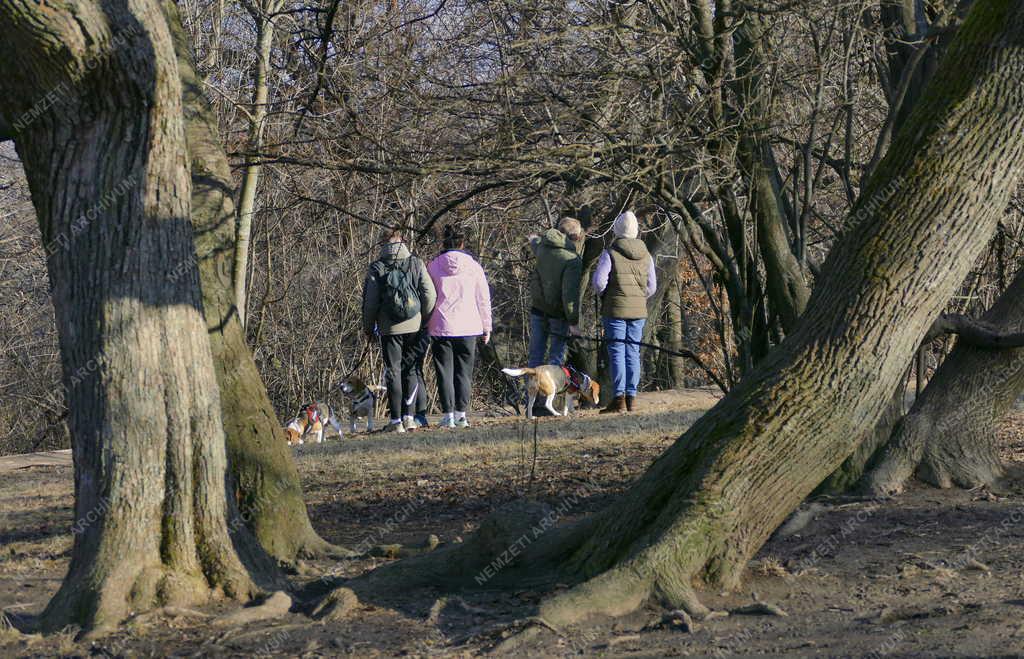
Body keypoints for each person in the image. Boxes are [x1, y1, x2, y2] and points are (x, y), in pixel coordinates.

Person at [362, 230, 436, 432]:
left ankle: (395, 422)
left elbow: (370, 302)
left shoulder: (377, 267)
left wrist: (368, 327)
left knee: (393, 371)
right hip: (414, 325)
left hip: (389, 328)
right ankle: (409, 418)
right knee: (411, 369)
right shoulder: (416, 263)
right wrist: (423, 318)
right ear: (402, 241)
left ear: (383, 243)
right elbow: (429, 294)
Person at [427, 225, 492, 428]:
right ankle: (461, 414)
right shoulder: (473, 266)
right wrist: (486, 326)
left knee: (444, 371)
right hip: (468, 326)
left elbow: (428, 296)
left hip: (440, 325)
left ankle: (448, 415)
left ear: (443, 243)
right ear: (462, 243)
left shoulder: (433, 265)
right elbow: (483, 298)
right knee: (464, 372)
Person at [592, 211, 656, 413]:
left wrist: (609, 294)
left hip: (615, 310)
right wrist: (638, 296)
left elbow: (598, 283)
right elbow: (652, 287)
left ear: (617, 231)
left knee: (617, 351)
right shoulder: (647, 255)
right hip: (638, 311)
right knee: (633, 352)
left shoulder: (610, 253)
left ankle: (618, 398)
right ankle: (632, 398)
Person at [527, 217, 583, 367]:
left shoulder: (543, 248)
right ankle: (552, 390)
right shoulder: (572, 260)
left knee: (535, 356)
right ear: (575, 237)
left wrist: (532, 238)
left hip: (538, 309)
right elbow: (569, 294)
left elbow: (534, 241)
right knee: (555, 359)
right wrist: (573, 322)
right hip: (558, 314)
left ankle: (531, 390)